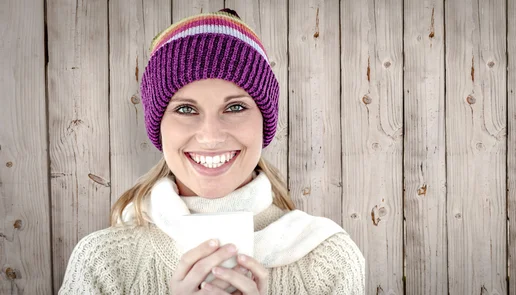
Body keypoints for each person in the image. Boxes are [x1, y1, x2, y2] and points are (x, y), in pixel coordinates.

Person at [58, 8, 365, 295]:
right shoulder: (102, 261)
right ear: (158, 126)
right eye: (185, 109)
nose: (210, 136)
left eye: (235, 107)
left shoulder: (329, 258)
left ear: (265, 121)